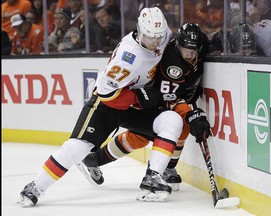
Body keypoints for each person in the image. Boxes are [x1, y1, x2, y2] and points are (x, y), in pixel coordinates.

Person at [17, 7, 181, 207]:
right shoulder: (128, 56)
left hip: (135, 101)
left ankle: (152, 179)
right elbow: (108, 95)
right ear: (139, 31)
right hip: (107, 103)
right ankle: (35, 187)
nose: (156, 42)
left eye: (159, 36)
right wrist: (140, 97)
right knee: (77, 147)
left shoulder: (162, 36)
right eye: (150, 37)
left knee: (172, 120)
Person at [81, 22, 211, 200]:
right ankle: (166, 168)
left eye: (194, 50)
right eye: (186, 49)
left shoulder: (195, 47)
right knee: (147, 134)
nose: (190, 54)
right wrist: (189, 113)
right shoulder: (172, 65)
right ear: (178, 45)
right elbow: (168, 98)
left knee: (142, 137)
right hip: (149, 99)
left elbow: (207, 45)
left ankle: (94, 160)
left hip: (162, 96)